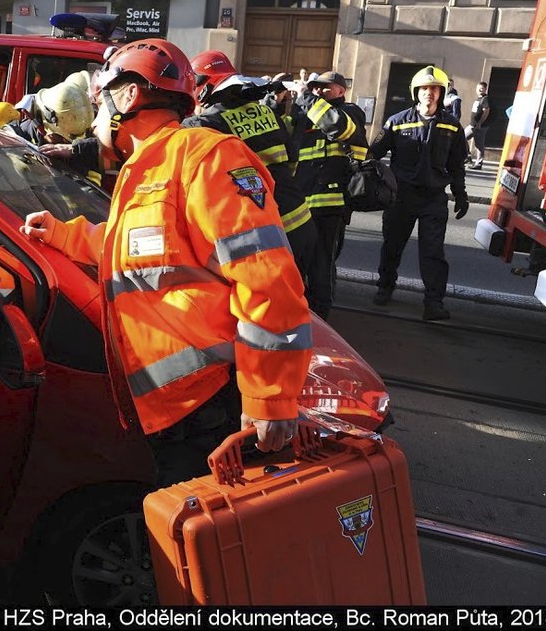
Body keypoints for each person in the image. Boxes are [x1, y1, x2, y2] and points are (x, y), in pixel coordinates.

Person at [19, 39, 313, 486]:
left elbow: (267, 280)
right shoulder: (144, 169)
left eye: (101, 101)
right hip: (174, 411)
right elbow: (145, 253)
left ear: (128, 97)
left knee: (204, 545)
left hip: (210, 408)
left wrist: (269, 400)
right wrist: (63, 235)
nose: (96, 116)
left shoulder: (206, 157)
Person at [183, 52, 316, 284]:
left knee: (272, 306)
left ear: (206, 87)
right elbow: (292, 158)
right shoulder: (267, 112)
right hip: (301, 220)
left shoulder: (206, 124)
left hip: (267, 234)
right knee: (300, 296)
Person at [369, 65, 469, 321]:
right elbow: (373, 155)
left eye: (434, 88)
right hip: (400, 197)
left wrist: (461, 193)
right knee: (393, 245)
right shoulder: (397, 122)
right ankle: (385, 286)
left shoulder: (452, 126)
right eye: (424, 88)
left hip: (433, 199)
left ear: (442, 93)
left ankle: (434, 303)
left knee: (433, 252)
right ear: (416, 92)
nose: (429, 93)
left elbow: (457, 165)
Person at [291, 70, 368, 320]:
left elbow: (338, 127)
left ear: (341, 91)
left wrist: (307, 98)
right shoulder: (306, 115)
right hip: (302, 206)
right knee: (296, 263)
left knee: (322, 265)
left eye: (326, 87)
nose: (319, 91)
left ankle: (321, 317)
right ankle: (299, 312)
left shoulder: (351, 112)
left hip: (331, 205)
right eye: (315, 88)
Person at [469, 81, 491, 169]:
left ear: (485, 89)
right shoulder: (478, 98)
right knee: (461, 137)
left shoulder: (485, 99)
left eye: (482, 88)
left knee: (479, 144)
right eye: (478, 88)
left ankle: (479, 163)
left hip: (479, 126)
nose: (480, 90)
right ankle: (467, 156)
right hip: (472, 125)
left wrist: (479, 123)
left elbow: (486, 111)